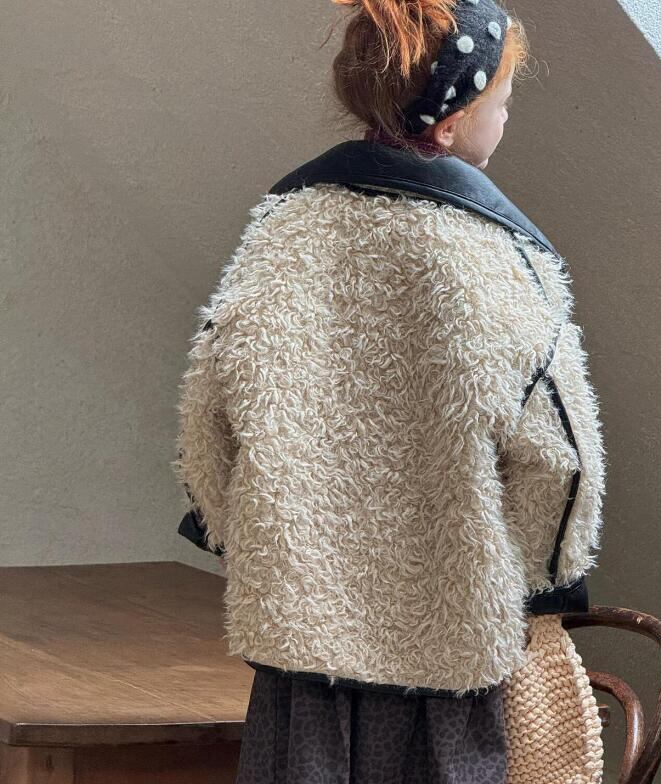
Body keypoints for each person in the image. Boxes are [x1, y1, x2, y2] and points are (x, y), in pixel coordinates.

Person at [172, 1, 607, 782]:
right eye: (503, 103)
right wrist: (539, 580)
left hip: (299, 645)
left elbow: (207, 411)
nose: (506, 119)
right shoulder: (502, 257)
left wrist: (251, 541)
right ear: (451, 122)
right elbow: (561, 456)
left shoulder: (282, 230)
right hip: (449, 653)